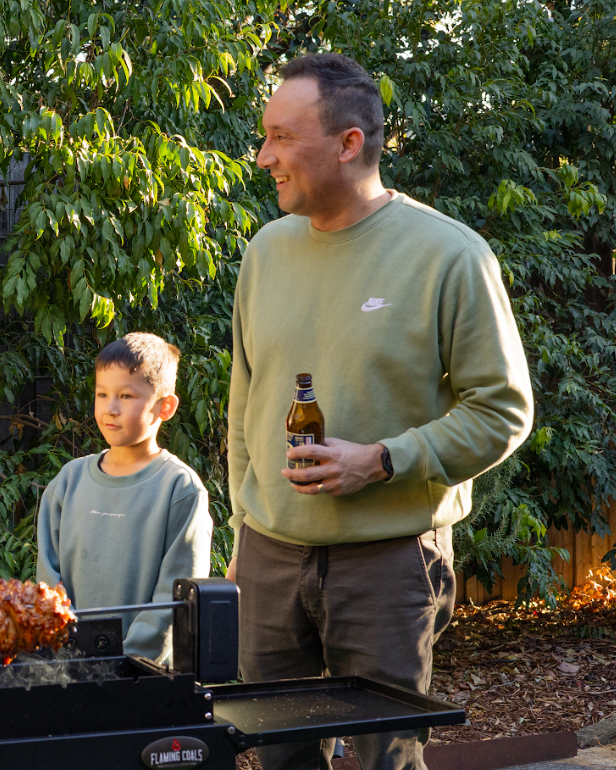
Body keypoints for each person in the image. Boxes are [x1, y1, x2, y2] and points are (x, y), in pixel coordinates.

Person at [227, 53, 534, 770]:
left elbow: (503, 410)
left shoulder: (449, 255)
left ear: (348, 143)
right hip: (270, 559)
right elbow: (246, 398)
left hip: (389, 565)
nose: (264, 156)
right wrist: (245, 528)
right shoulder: (265, 253)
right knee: (275, 756)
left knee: (383, 761)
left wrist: (383, 460)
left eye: (281, 137)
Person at [37, 332, 212, 665]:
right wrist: (70, 649)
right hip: (68, 668)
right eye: (102, 394)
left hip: (142, 677)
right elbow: (48, 581)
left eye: (126, 396)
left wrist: (129, 662)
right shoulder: (68, 482)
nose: (110, 408)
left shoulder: (179, 488)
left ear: (166, 406)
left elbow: (174, 598)